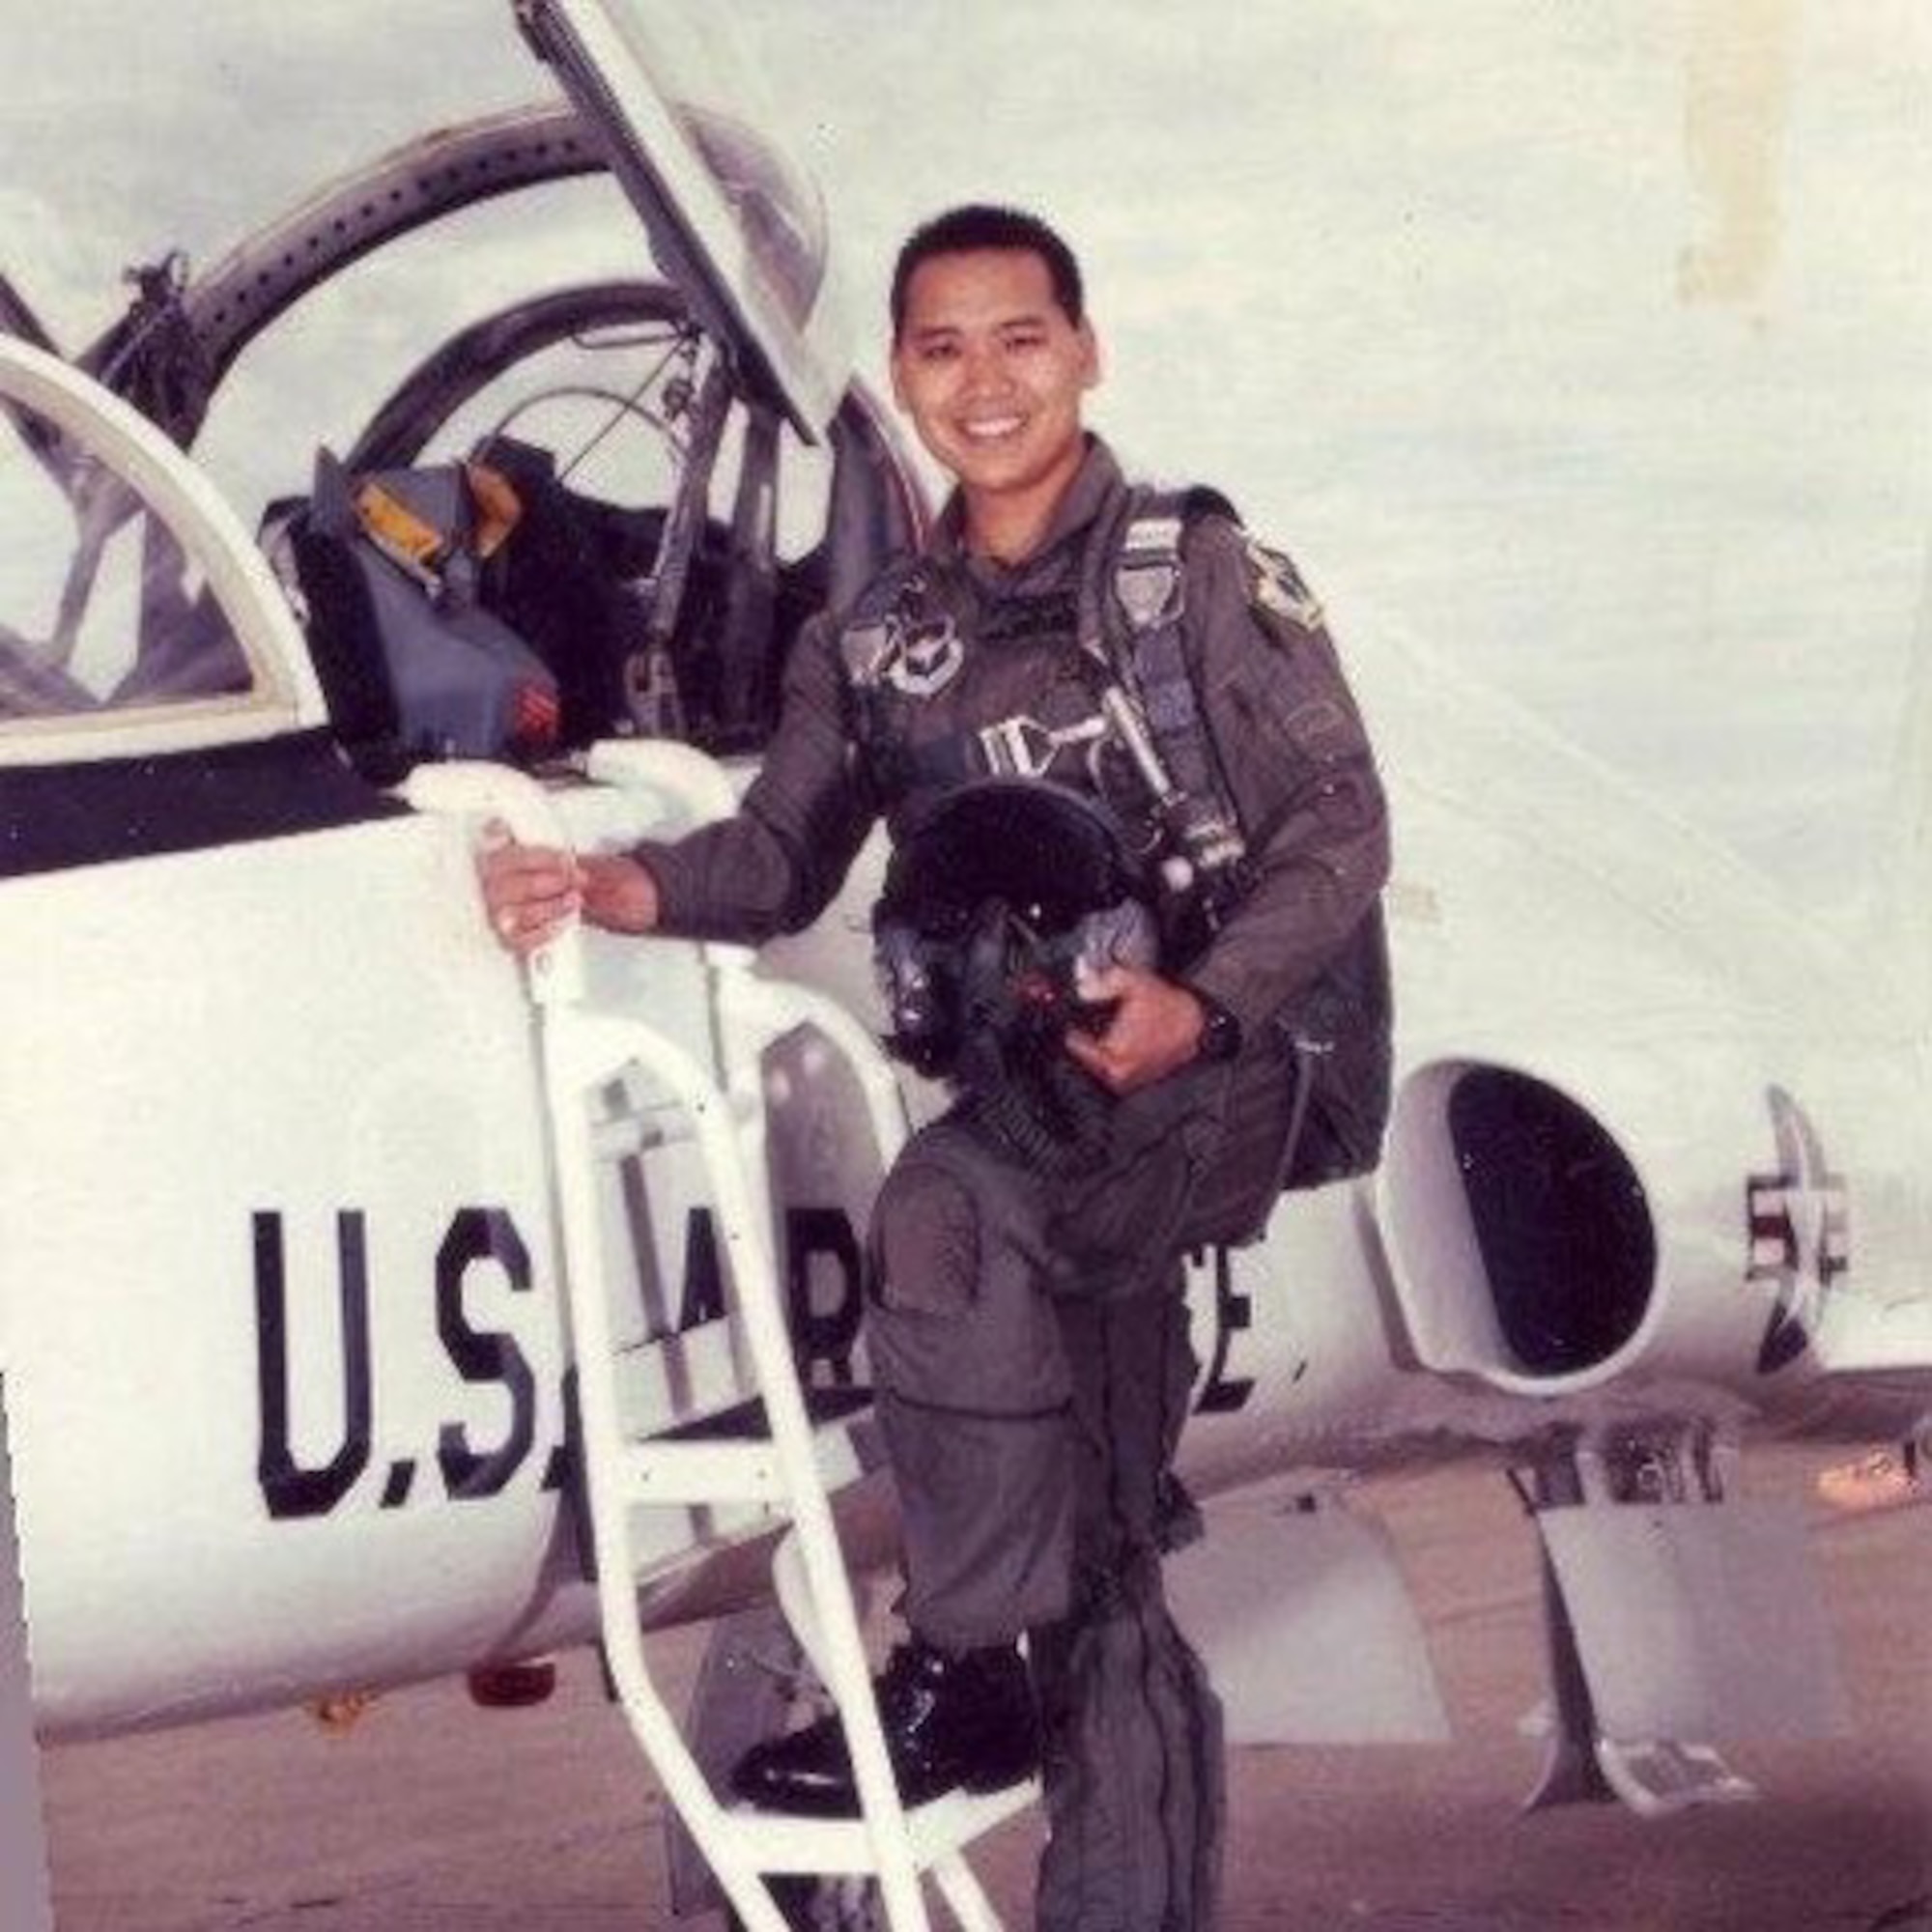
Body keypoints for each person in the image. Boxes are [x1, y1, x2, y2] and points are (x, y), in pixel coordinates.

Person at [479, 203, 1390, 1932]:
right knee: (1110, 1558)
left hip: (1234, 1069)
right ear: (900, 376)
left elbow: (1339, 827)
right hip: (1054, 1101)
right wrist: (613, 884)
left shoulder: (1192, 577)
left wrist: (1200, 1007)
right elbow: (779, 857)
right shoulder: (879, 643)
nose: (985, 383)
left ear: (1086, 350)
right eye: (943, 348)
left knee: (952, 1210)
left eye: (1021, 338)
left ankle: (965, 1657)